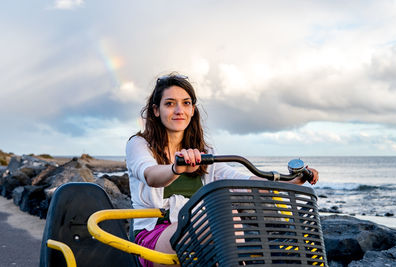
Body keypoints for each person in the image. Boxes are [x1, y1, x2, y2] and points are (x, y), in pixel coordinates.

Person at [126, 73, 319, 267]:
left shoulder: (205, 153)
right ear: (156, 110)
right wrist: (176, 168)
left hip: (197, 235)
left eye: (185, 103)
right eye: (169, 103)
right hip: (153, 240)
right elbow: (150, 175)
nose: (179, 110)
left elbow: (242, 182)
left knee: (229, 219)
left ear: (193, 109)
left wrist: (290, 182)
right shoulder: (140, 144)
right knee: (223, 217)